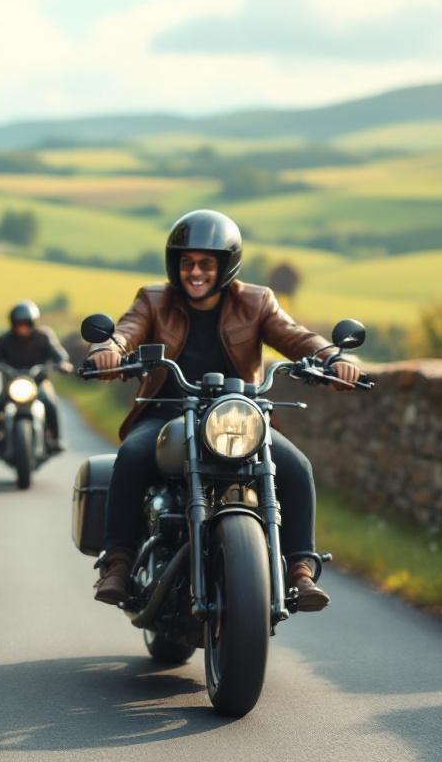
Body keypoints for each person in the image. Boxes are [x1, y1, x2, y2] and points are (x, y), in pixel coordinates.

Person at [88, 209, 360, 611]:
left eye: (205, 264)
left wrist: (329, 357)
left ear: (225, 266)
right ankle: (119, 563)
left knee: (296, 466)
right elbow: (127, 331)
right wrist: (109, 350)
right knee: (131, 456)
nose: (194, 273)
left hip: (237, 417)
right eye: (187, 264)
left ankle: (300, 569)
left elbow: (295, 335)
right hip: (167, 412)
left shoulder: (256, 301)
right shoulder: (154, 299)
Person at [0, 300, 71, 454]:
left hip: (38, 382)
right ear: (13, 324)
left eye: (25, 324)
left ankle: (54, 440)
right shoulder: (5, 339)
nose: (22, 328)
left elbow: (59, 354)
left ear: (33, 323)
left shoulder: (44, 336)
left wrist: (63, 363)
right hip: (13, 384)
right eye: (18, 324)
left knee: (51, 404)